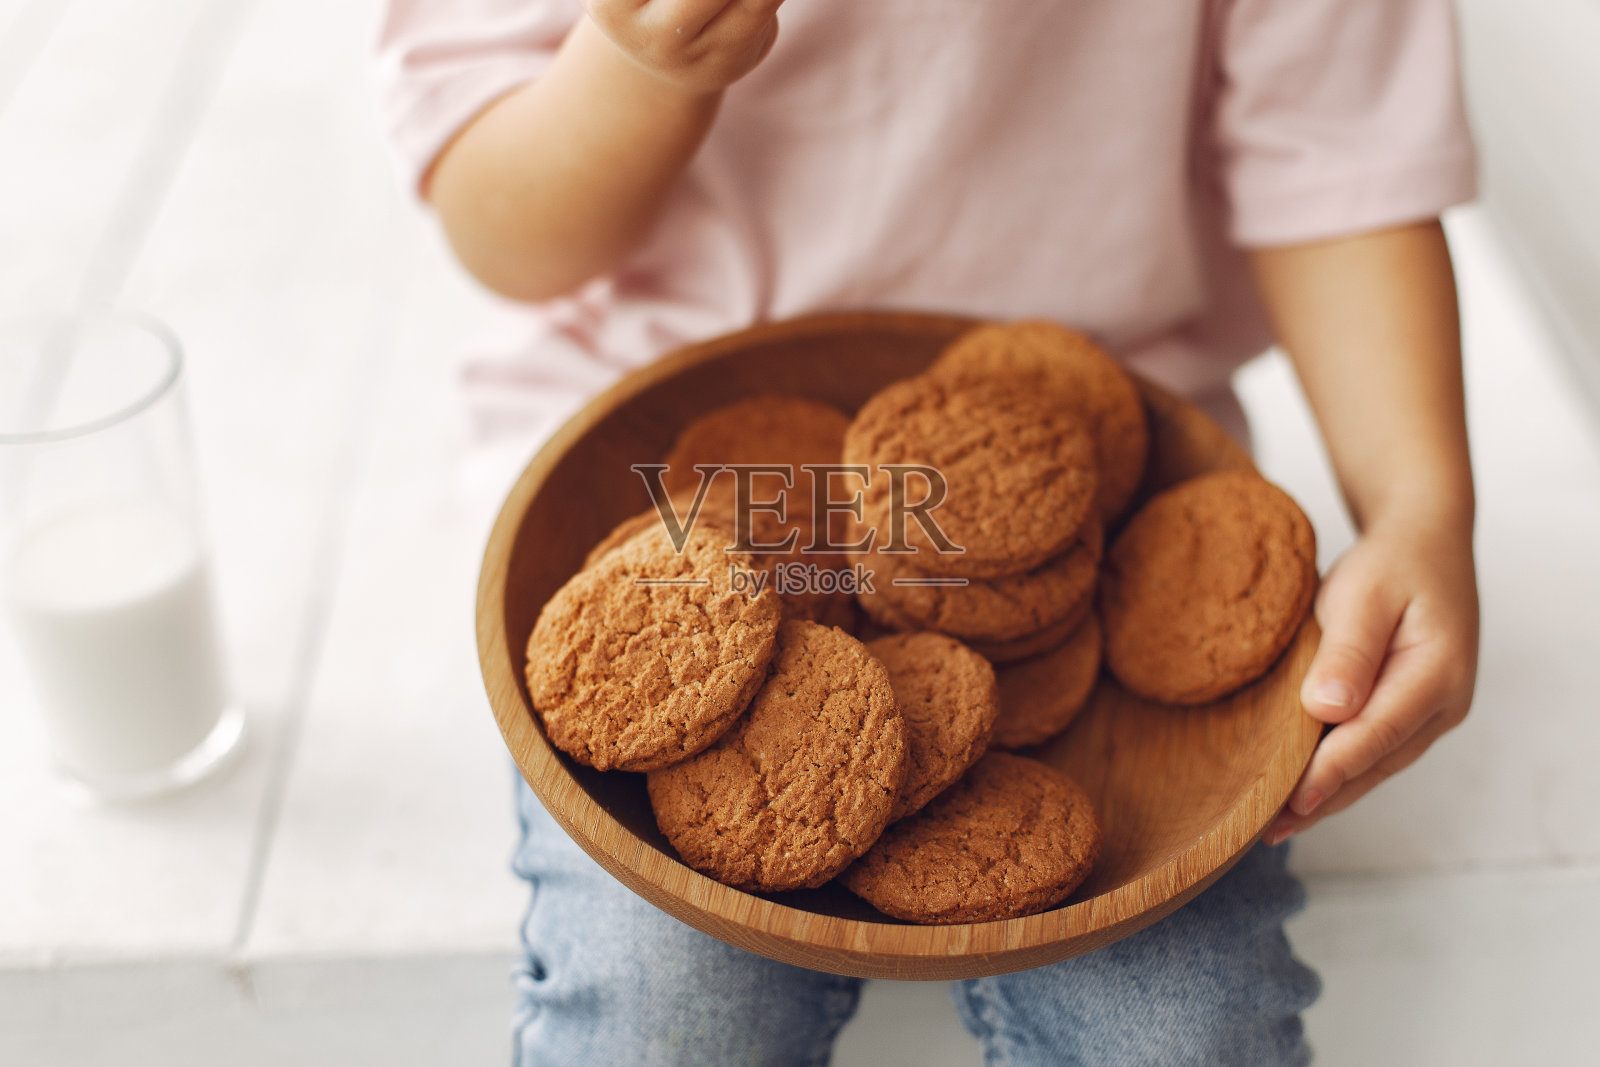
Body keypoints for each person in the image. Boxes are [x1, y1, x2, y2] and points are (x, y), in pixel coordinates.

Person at [378, 2, 1481, 1062]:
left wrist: (1420, 506)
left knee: (1177, 1031)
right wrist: (638, 63)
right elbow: (500, 225)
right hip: (655, 491)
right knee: (661, 1018)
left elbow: (1341, 166)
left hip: (1115, 492)